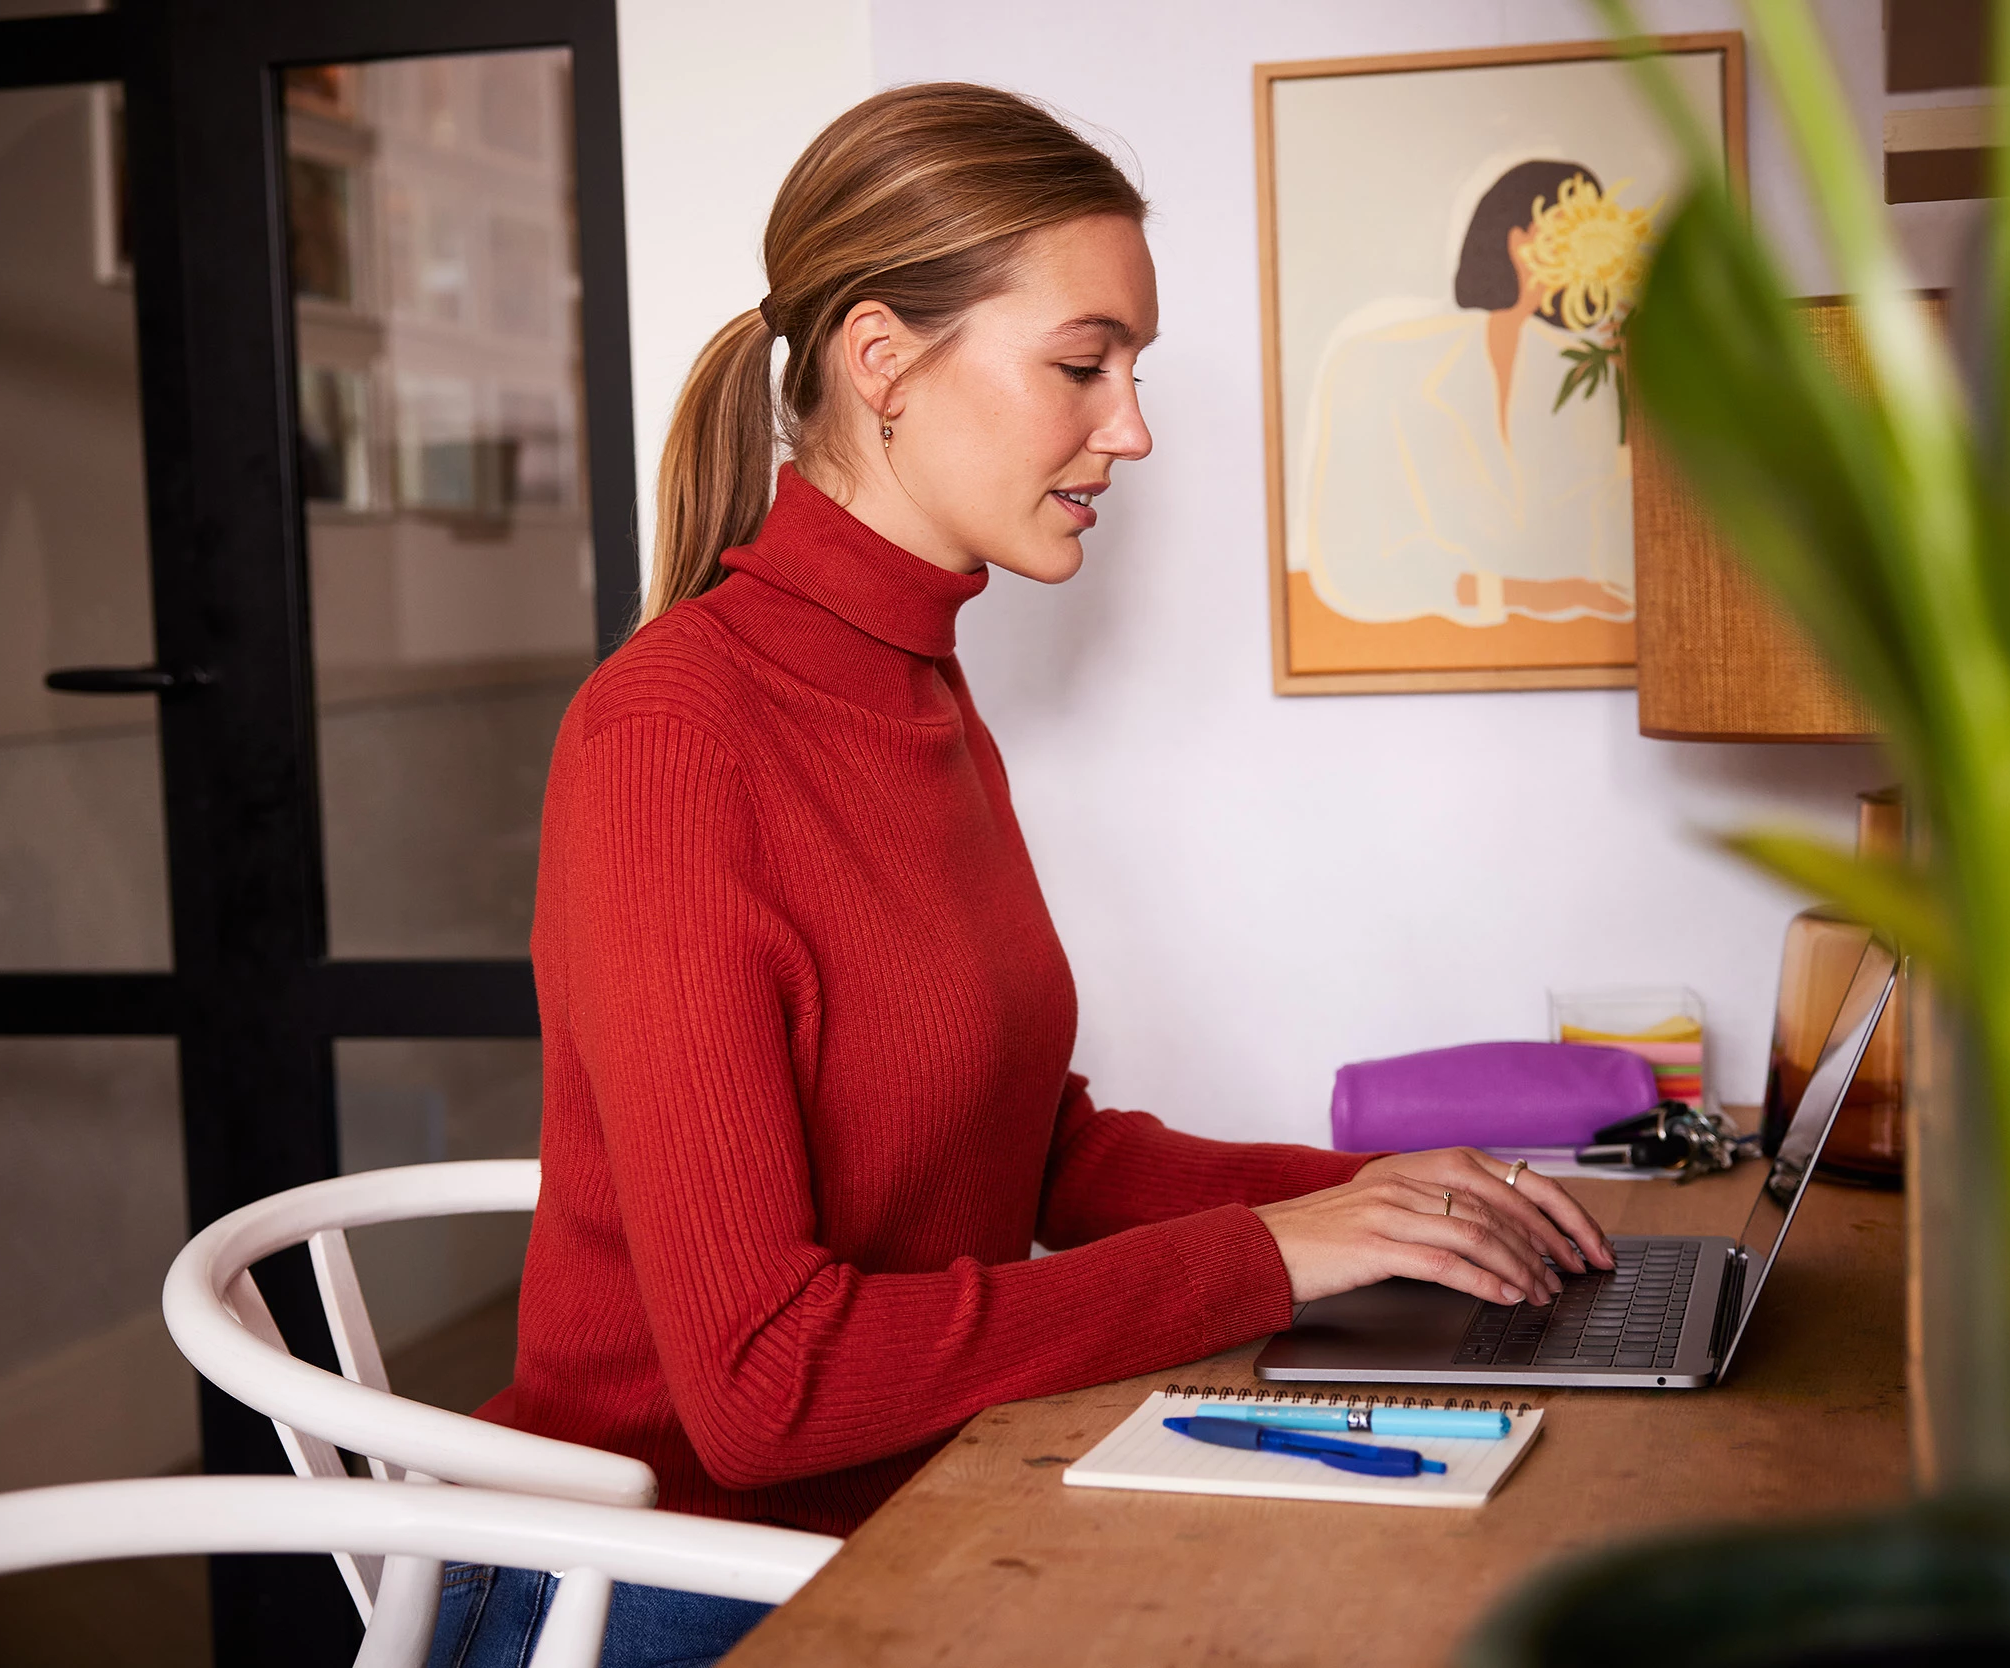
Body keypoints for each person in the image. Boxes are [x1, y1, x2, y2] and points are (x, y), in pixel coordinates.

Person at [428, 84, 1614, 1668]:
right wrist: (1271, 1256)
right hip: (658, 1590)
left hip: (920, 1515)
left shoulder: (921, 685)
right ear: (881, 359)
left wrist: (1370, 1199)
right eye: (1081, 364)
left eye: (1135, 370)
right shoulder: (669, 737)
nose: (1131, 428)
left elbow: (1021, 1146)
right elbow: (769, 1384)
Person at [1297, 159, 1639, 629]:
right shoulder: (1379, 361)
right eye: (1568, 236)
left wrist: (1633, 406)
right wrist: (1523, 594)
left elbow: (1621, 557)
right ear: (1517, 241)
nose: (1587, 259)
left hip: (1570, 640)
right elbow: (1353, 566)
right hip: (1421, 640)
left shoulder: (1593, 383)